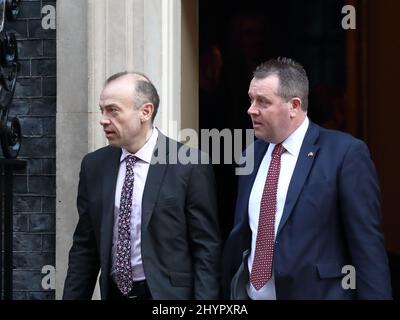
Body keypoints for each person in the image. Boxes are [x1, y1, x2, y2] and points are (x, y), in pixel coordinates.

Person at [222, 57, 392, 300]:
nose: (251, 109)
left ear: (294, 106)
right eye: (251, 99)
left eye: (263, 101)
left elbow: (367, 248)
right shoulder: (251, 155)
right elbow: (243, 236)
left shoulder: (344, 154)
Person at [63, 72, 221, 300]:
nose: (103, 119)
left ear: (145, 112)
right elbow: (85, 247)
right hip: (115, 293)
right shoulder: (94, 165)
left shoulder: (189, 165)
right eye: (102, 110)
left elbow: (206, 248)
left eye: (113, 110)